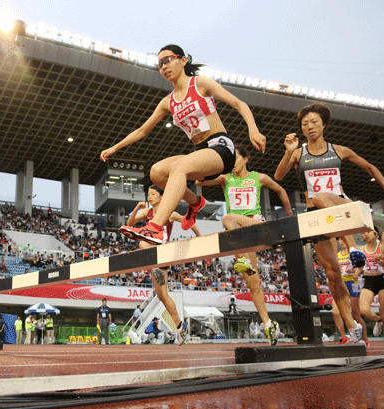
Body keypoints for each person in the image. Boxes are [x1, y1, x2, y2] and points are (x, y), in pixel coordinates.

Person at [101, 44, 266, 246]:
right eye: (160, 64)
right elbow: (142, 131)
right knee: (158, 173)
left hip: (221, 147)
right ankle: (195, 203)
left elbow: (240, 104)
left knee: (179, 167)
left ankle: (156, 228)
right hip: (201, 152)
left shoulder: (201, 83)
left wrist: (253, 129)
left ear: (183, 60)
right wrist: (115, 147)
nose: (164, 67)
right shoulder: (167, 102)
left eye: (168, 60)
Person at [274, 103, 384, 343]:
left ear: (323, 124)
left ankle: (352, 247)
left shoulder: (339, 150)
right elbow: (278, 176)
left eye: (314, 122)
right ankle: (352, 326)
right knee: (333, 273)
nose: (309, 127)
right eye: (305, 124)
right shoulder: (298, 152)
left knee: (322, 196)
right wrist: (288, 151)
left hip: (340, 205)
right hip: (316, 217)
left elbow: (369, 166)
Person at [197, 145, 292, 346]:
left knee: (228, 218)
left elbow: (281, 190)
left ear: (246, 159)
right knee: (252, 282)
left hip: (255, 224)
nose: (232, 164)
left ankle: (240, 259)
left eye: (235, 159)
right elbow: (198, 181)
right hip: (241, 234)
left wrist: (290, 217)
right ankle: (268, 325)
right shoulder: (225, 178)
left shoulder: (259, 177)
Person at [125, 185, 201, 344]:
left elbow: (189, 221)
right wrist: (137, 208)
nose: (150, 197)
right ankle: (181, 327)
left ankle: (154, 268)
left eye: (153, 194)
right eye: (148, 194)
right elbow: (130, 223)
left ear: (161, 196)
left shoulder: (171, 213)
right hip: (154, 257)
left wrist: (200, 237)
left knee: (142, 244)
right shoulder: (147, 212)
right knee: (162, 295)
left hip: (163, 253)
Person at [355, 227, 384, 351]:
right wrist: (356, 272)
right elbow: (361, 267)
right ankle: (378, 320)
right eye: (363, 233)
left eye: (368, 232)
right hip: (368, 280)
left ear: (376, 233)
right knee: (363, 311)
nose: (365, 234)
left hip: (383, 280)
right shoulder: (361, 250)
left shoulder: (383, 247)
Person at [331, 238, 368, 346]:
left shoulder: (354, 252)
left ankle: (365, 338)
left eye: (343, 239)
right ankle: (344, 337)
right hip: (340, 284)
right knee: (335, 312)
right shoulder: (337, 254)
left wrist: (354, 272)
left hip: (353, 283)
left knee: (355, 314)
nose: (342, 242)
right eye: (340, 240)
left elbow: (361, 267)